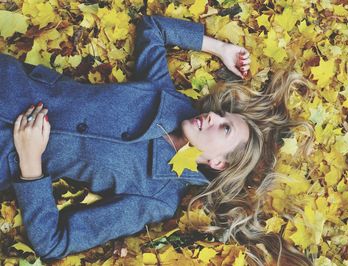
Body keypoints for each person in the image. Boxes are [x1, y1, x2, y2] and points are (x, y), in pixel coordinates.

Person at [0, 15, 312, 265]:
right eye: (223, 116)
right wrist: (220, 49)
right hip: (12, 84)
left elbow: (54, 242)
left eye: (224, 129)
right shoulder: (169, 99)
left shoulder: (157, 198)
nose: (214, 118)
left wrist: (30, 164)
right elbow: (153, 28)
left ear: (218, 162)